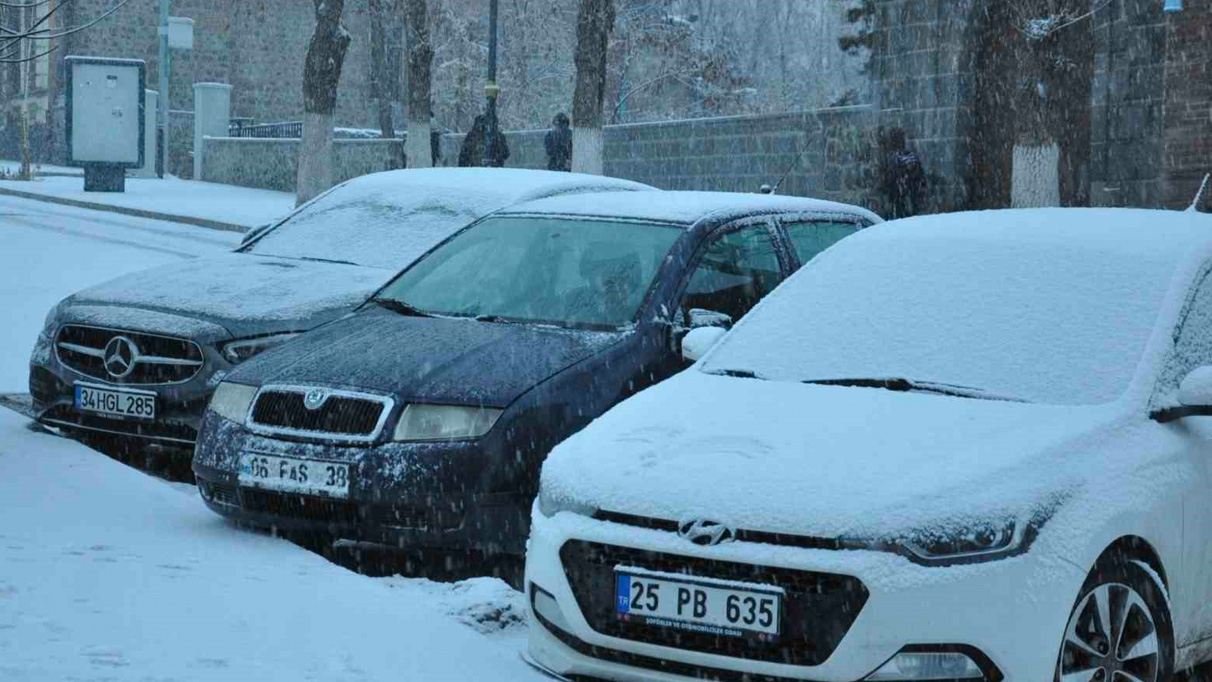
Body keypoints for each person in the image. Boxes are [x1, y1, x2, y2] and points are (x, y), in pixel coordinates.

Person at [878, 127, 928, 219]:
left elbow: (889, 181)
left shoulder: (893, 159)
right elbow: (920, 180)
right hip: (909, 200)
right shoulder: (911, 157)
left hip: (900, 200)